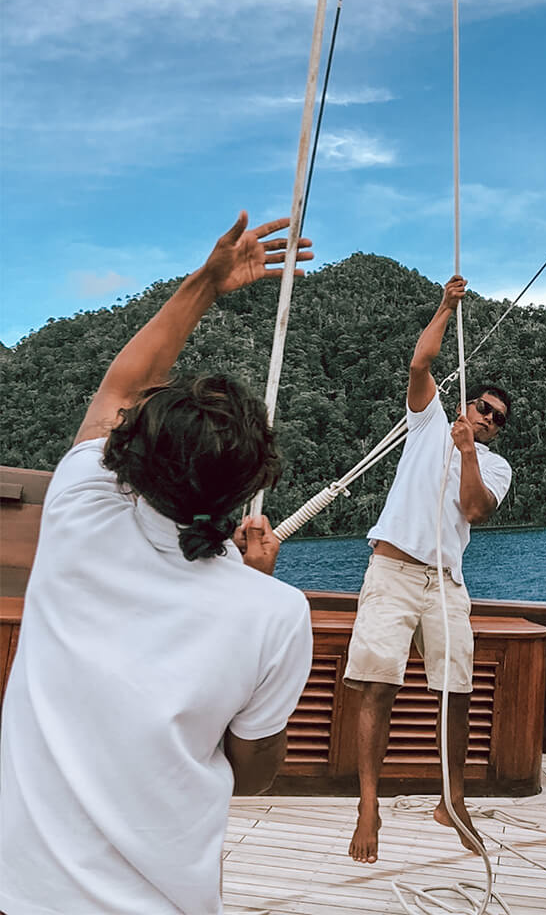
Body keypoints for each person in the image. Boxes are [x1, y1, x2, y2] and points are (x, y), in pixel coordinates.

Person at [0, 213, 316, 915]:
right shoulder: (274, 615)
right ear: (242, 492)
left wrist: (207, 283)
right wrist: (252, 583)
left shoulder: (81, 508)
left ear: (131, 463)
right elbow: (255, 773)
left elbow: (122, 385)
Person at [344, 275, 513, 864]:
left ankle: (453, 798)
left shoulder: (494, 465)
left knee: (457, 691)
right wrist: (446, 306)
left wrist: (470, 450)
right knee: (377, 686)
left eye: (496, 418)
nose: (487, 418)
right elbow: (421, 362)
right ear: (465, 401)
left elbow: (473, 509)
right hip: (392, 571)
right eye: (482, 407)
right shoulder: (427, 424)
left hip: (444, 582)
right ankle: (370, 804)